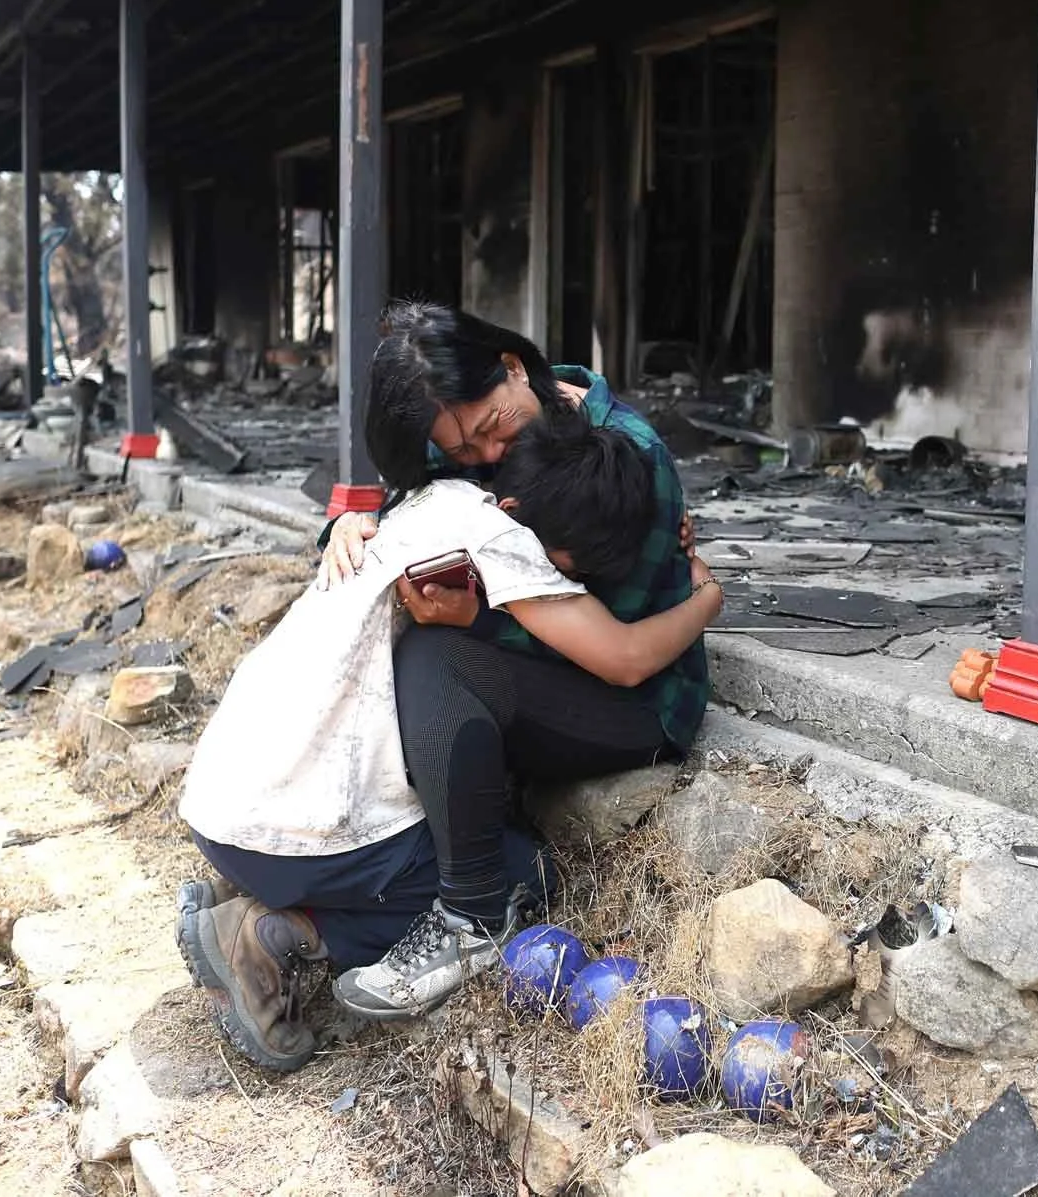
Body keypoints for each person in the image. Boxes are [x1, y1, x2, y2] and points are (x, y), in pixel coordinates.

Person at [175, 403, 724, 1071]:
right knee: (523, 874)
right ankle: (275, 933)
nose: (582, 582)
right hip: (284, 831)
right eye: (577, 566)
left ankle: (259, 892)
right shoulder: (505, 538)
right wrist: (706, 598)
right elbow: (627, 658)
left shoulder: (427, 501)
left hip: (220, 802)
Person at [311, 305, 712, 1022]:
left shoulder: (626, 453)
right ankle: (494, 867)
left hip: (635, 693)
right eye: (462, 452)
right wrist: (350, 524)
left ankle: (474, 914)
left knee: (438, 654)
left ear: (513, 366)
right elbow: (412, 504)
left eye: (491, 428)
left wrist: (481, 620)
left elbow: (618, 640)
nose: (485, 456)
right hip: (538, 674)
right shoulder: (465, 434)